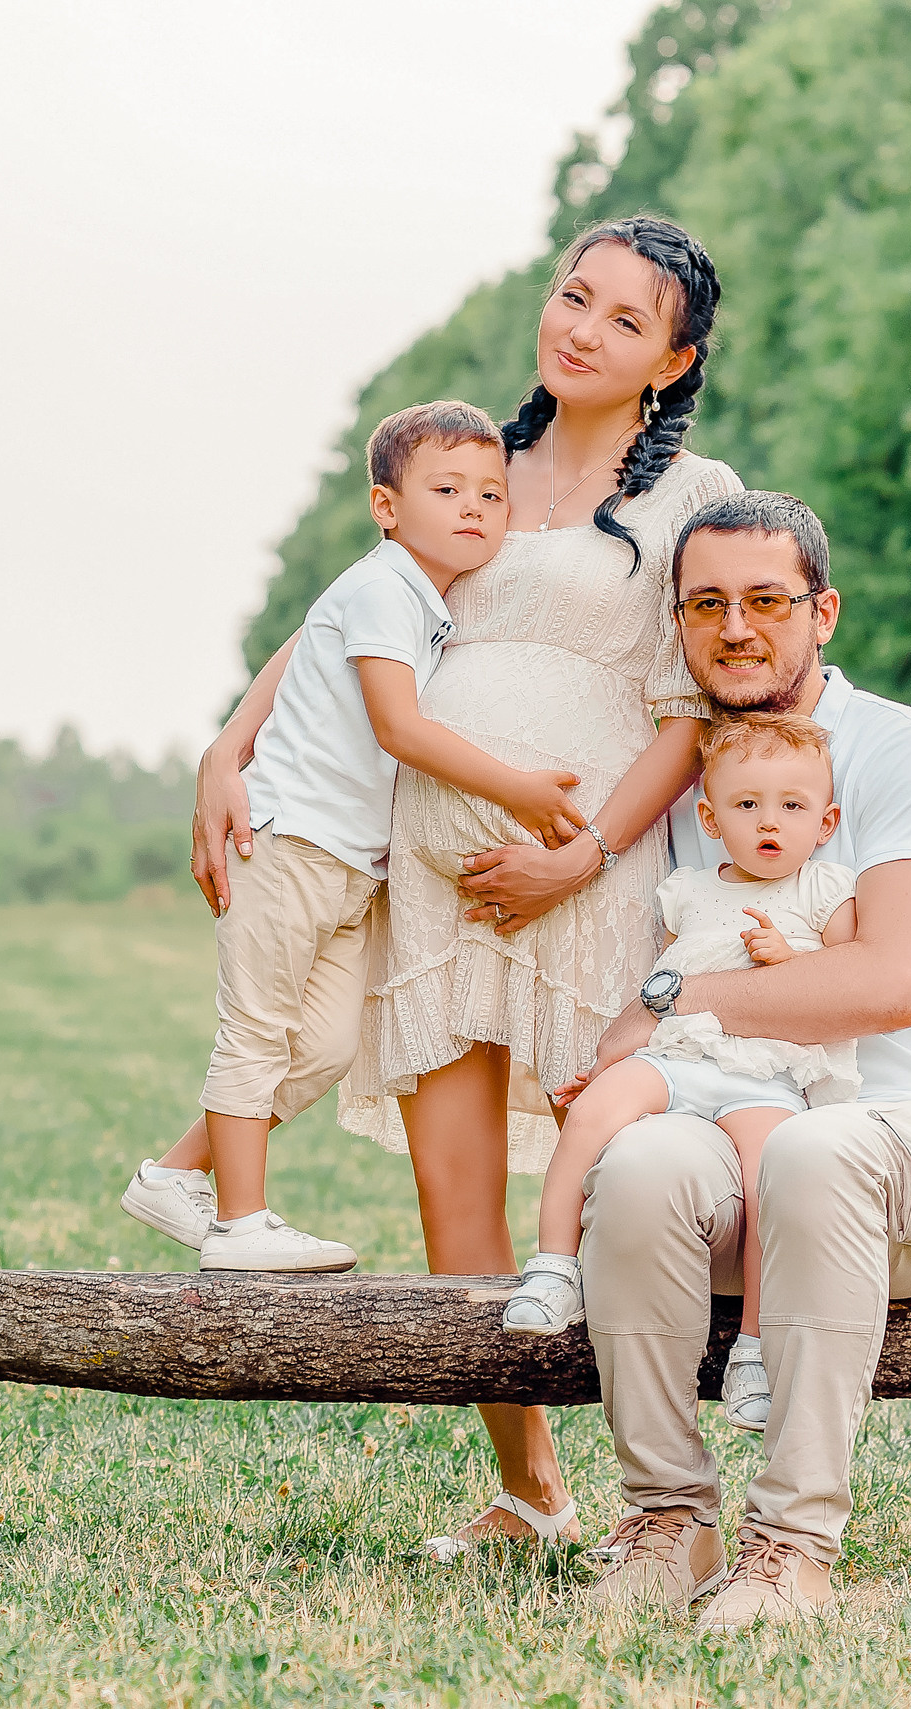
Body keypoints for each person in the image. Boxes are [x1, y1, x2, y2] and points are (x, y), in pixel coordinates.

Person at [189, 217, 739, 1556]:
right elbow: (356, 616)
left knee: (616, 1184)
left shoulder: (688, 499)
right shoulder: (470, 469)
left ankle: (659, 1499)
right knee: (457, 1199)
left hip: (581, 875)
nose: (582, 328)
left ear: (672, 362)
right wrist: (232, 739)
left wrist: (583, 852)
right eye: (574, 295)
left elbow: (686, 714)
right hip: (440, 890)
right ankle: (529, 1487)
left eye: (623, 319)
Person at [574, 490, 911, 1634]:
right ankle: (668, 1521)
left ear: (821, 611)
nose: (737, 627)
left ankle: (789, 1547)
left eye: (767, 600)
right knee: (634, 1170)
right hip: (749, 1146)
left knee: (817, 1148)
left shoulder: (898, 746)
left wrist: (671, 998)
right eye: (706, 604)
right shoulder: (687, 783)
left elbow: (886, 983)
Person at [121, 401, 585, 1273]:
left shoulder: (427, 598)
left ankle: (176, 1173)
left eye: (491, 492)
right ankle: (240, 1222)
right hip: (289, 841)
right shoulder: (382, 587)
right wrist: (516, 788)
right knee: (257, 1030)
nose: (474, 508)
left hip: (351, 865)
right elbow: (399, 728)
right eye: (446, 489)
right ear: (386, 507)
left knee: (326, 1047)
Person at [499, 711, 858, 1444]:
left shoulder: (827, 890)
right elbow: (662, 981)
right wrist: (613, 1054)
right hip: (681, 1054)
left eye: (792, 806)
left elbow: (843, 983)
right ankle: (553, 1265)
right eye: (746, 804)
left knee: (771, 1180)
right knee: (597, 1111)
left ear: (825, 820)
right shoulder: (690, 890)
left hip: (767, 1074)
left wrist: (789, 960)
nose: (769, 822)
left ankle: (754, 1348)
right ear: (709, 815)